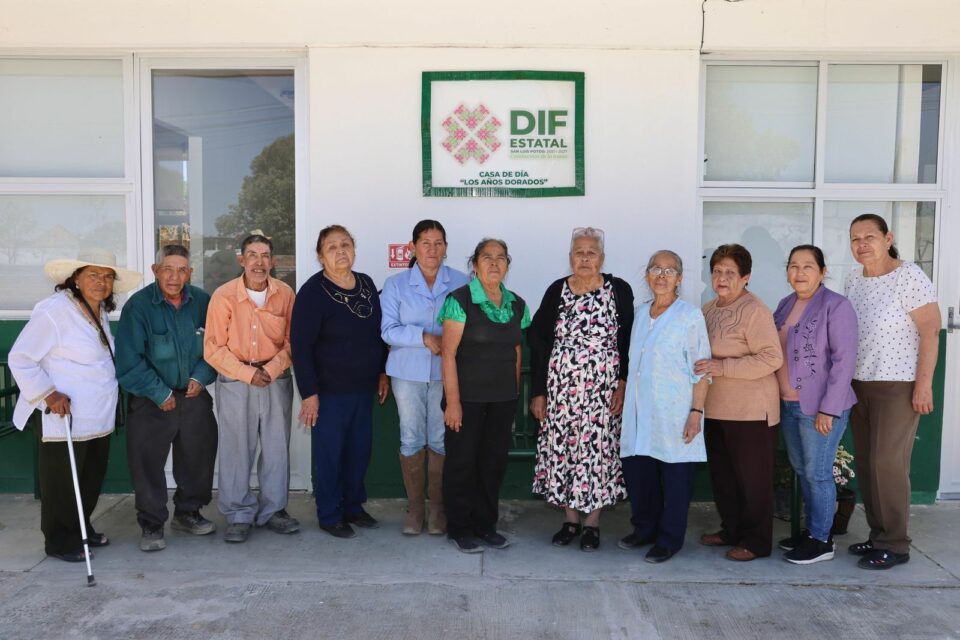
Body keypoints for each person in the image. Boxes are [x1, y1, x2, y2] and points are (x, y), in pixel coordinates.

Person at [9, 249, 141, 562]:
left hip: (97, 414)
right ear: (76, 279)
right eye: (93, 274)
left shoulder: (98, 311)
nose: (101, 281)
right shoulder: (55, 310)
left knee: (89, 477)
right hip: (63, 414)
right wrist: (48, 394)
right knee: (61, 482)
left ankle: (81, 528)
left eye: (107, 276)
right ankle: (59, 541)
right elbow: (21, 357)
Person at [844, 213, 941, 570]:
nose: (862, 244)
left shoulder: (909, 276)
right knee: (867, 463)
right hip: (859, 384)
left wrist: (924, 385)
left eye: (869, 236)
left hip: (898, 385)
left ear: (888, 238)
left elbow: (931, 331)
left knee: (888, 463)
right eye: (855, 238)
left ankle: (895, 544)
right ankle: (878, 535)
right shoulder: (853, 281)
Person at [529, 227, 633, 551]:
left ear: (602, 258)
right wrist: (539, 391)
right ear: (570, 257)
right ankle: (571, 520)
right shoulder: (557, 290)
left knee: (598, 453)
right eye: (579, 252)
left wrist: (623, 384)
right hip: (561, 392)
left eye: (591, 252)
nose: (585, 258)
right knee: (562, 451)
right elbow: (537, 339)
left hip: (602, 394)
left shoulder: (618, 290)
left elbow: (628, 340)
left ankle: (592, 523)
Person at [115, 244, 219, 552]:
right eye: (168, 269)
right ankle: (151, 523)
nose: (175, 277)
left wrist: (201, 377)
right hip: (151, 398)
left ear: (190, 272)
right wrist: (159, 392)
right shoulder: (138, 307)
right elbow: (129, 360)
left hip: (194, 395)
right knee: (146, 463)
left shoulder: (203, 301)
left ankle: (188, 512)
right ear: (155, 270)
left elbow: (217, 346)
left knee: (198, 456)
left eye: (182, 270)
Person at [291, 225, 390, 539]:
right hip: (328, 392)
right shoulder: (312, 293)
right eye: (331, 247)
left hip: (363, 388)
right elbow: (301, 347)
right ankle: (330, 514)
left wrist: (382, 371)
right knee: (330, 454)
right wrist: (309, 393)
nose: (340, 251)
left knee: (358, 452)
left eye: (345, 244)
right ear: (321, 256)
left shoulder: (366, 283)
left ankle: (353, 507)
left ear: (354, 249)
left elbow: (378, 334)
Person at [204, 233, 299, 543]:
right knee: (236, 447)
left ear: (273, 261)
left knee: (276, 447)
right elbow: (213, 348)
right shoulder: (223, 296)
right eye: (253, 255)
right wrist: (247, 373)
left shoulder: (285, 294)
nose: (259, 262)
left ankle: (274, 510)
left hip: (275, 378)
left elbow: (292, 342)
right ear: (241, 260)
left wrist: (269, 370)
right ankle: (238, 513)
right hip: (235, 380)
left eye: (265, 255)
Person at [438, 238, 531, 553]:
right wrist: (453, 403)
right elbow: (448, 354)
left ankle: (485, 526)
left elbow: (516, 350)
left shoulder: (517, 304)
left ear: (508, 265)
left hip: (502, 400)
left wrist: (513, 393)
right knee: (462, 464)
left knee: (492, 465)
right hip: (466, 400)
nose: (494, 262)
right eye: (487, 257)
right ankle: (459, 528)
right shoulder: (459, 300)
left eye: (501, 257)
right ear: (474, 264)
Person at [618, 250, 710, 563]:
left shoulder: (689, 316)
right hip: (639, 412)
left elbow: (701, 369)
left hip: (675, 412)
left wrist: (696, 412)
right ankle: (645, 529)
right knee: (640, 474)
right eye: (656, 269)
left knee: (675, 478)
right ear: (647, 275)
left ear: (679, 279)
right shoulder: (640, 314)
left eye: (669, 271)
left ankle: (669, 539)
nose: (662, 275)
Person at [695, 243, 783, 562]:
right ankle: (731, 530)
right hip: (716, 408)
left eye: (730, 272)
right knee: (725, 478)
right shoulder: (708, 309)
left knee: (752, 481)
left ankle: (757, 542)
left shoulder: (754, 310)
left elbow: (772, 358)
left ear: (746, 277)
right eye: (717, 271)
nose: (722, 278)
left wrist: (724, 367)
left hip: (751, 412)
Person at [381, 220, 469, 535]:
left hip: (447, 374)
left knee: (440, 438)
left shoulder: (461, 282)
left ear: (446, 247)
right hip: (407, 373)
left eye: (438, 243)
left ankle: (437, 509)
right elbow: (387, 330)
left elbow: (469, 326)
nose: (432, 249)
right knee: (411, 438)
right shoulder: (396, 284)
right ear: (413, 247)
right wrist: (424, 337)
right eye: (425, 243)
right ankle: (415, 508)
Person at [773, 245, 859, 565]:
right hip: (789, 404)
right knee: (802, 470)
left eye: (808, 266)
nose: (799, 272)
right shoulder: (785, 304)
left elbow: (844, 361)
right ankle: (812, 532)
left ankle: (822, 541)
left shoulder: (836, 306)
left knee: (818, 473)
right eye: (793, 266)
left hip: (820, 407)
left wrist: (829, 409)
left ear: (823, 272)